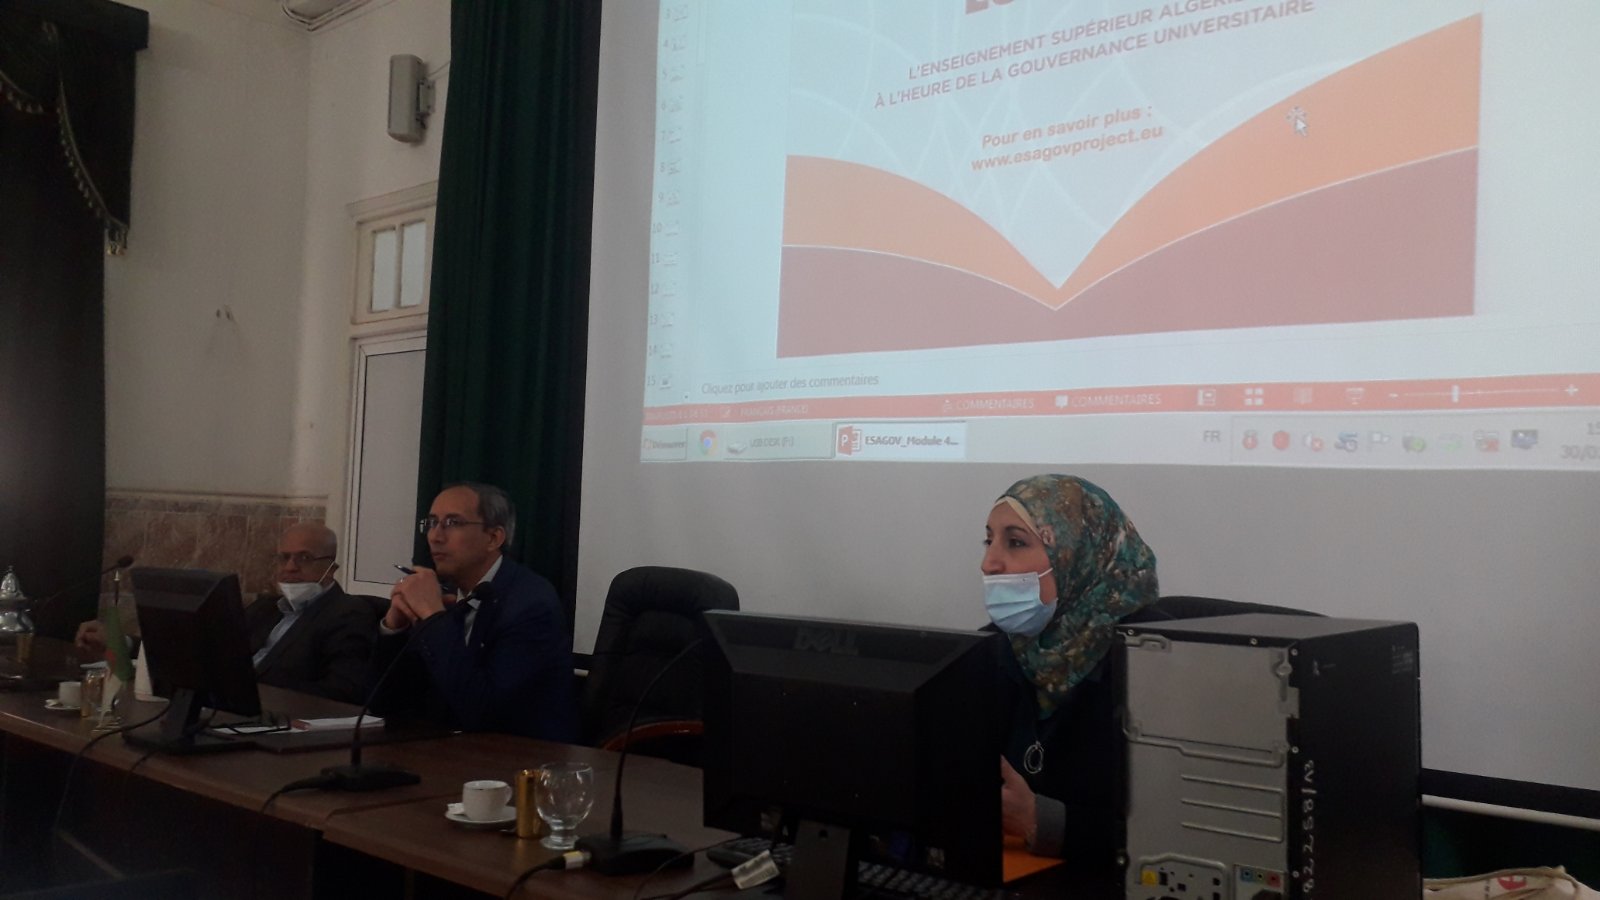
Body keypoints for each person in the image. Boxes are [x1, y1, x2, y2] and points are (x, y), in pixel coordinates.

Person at [980, 474, 1161, 868]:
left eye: (1015, 542)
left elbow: (1178, 832)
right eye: (988, 541)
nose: (989, 563)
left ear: (1077, 552)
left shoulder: (1155, 662)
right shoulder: (992, 648)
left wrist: (1042, 822)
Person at [76, 522, 378, 704]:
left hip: (282, 724)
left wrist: (254, 688)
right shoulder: (265, 608)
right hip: (226, 711)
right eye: (284, 558)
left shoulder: (348, 614)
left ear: (331, 567)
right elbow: (202, 650)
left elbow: (345, 693)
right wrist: (122, 644)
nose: (290, 567)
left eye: (304, 558)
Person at [369, 482, 578, 741]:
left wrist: (433, 615)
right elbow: (383, 704)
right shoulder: (448, 598)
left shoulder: (531, 603)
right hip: (445, 750)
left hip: (520, 757)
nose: (435, 536)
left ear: (493, 538)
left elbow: (483, 713)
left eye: (452, 523)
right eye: (432, 523)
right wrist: (394, 627)